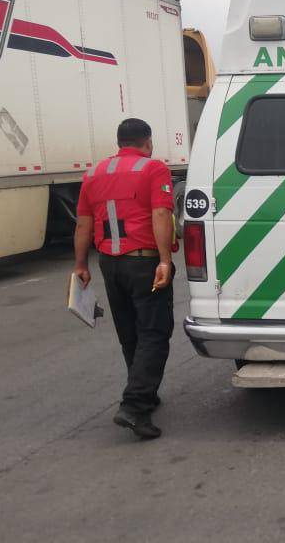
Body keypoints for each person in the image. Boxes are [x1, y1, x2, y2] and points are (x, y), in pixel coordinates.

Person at [73, 119, 176, 439]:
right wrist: (165, 260)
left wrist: (80, 265)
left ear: (119, 143)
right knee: (155, 332)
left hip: (110, 264)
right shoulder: (153, 168)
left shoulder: (93, 174)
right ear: (147, 142)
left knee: (130, 332)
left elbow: (83, 225)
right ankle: (135, 406)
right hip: (143, 261)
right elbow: (161, 214)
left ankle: (143, 391)